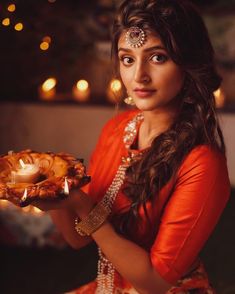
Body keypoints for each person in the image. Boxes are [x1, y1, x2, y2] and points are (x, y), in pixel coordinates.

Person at [30, 0, 231, 293]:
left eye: (158, 57)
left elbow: (154, 282)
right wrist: (54, 194)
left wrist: (82, 204)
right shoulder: (117, 130)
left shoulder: (201, 163)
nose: (139, 76)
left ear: (189, 64)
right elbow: (78, 238)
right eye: (127, 59)